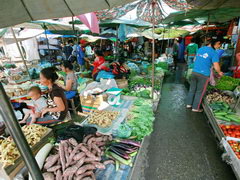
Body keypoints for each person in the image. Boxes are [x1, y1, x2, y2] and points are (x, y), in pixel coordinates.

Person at [186, 39, 224, 112]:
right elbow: (216, 66)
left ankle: (189, 104)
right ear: (216, 43)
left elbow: (195, 59)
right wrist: (219, 72)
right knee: (199, 92)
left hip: (194, 72)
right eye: (219, 45)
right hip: (203, 75)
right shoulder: (214, 53)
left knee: (192, 89)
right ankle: (195, 108)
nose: (219, 47)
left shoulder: (200, 49)